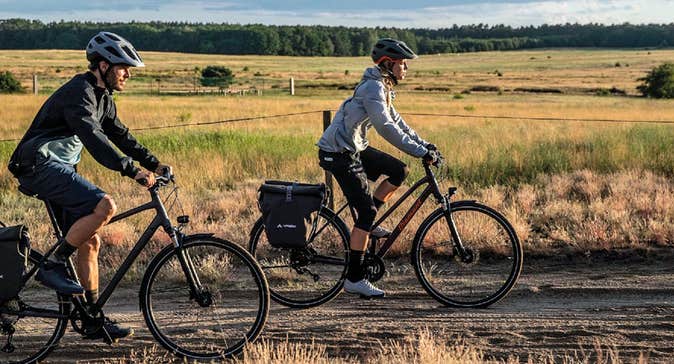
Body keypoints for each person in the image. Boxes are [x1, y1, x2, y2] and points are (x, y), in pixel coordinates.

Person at [7, 31, 171, 341]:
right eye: (123, 67)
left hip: (57, 167)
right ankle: (53, 264)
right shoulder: (79, 93)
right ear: (103, 65)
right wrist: (131, 171)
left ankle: (92, 319)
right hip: (36, 164)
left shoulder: (102, 97)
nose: (127, 74)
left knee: (90, 242)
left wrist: (153, 163)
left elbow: (120, 135)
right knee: (105, 206)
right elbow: (93, 139)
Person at [317, 38, 441, 298]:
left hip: (354, 147)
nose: (406, 68)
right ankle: (354, 278)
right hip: (338, 153)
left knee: (400, 171)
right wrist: (419, 151)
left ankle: (369, 223)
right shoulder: (373, 88)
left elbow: (397, 122)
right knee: (365, 212)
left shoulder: (382, 87)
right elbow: (385, 128)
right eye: (402, 64)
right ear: (388, 64)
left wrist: (424, 144)